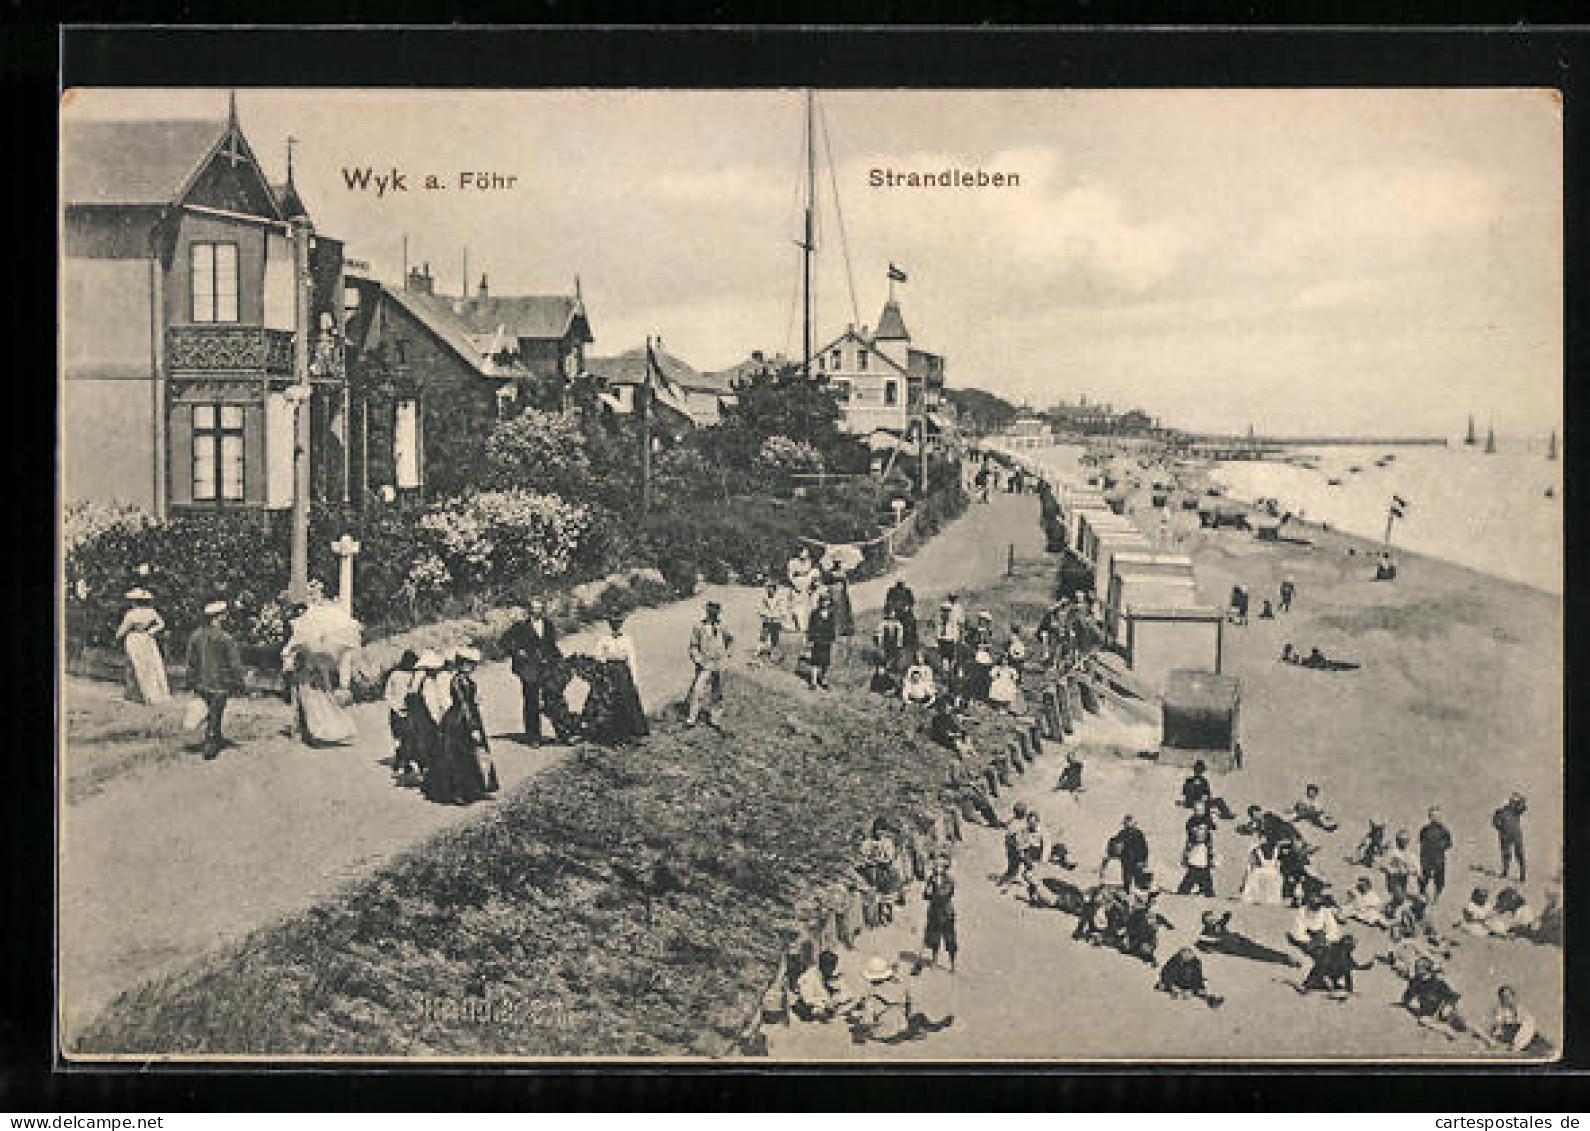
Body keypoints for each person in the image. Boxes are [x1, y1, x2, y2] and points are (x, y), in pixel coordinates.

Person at [281, 594, 359, 747]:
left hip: (306, 676)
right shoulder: (320, 640)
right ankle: (312, 732)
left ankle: (310, 733)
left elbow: (288, 652)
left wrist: (289, 653)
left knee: (312, 705)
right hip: (315, 675)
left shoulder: (303, 635)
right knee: (321, 704)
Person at [500, 598, 573, 746]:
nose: (538, 611)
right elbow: (503, 642)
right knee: (531, 701)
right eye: (535, 608)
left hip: (547, 667)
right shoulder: (520, 626)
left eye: (540, 608)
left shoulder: (548, 625)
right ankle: (533, 737)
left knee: (554, 698)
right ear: (529, 610)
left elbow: (552, 646)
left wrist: (561, 661)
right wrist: (517, 652)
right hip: (529, 669)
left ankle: (563, 733)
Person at [431, 646, 498, 805]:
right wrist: (472, 726)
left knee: (476, 753)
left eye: (472, 664)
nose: (470, 667)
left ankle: (477, 788)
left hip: (470, 716)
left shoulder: (467, 680)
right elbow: (462, 704)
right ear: (460, 664)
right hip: (460, 720)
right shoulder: (458, 680)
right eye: (466, 664)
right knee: (461, 755)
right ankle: (460, 792)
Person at [184, 599, 245, 760]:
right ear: (219, 617)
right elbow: (234, 663)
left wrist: (190, 681)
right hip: (220, 683)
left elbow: (191, 661)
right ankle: (211, 743)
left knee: (211, 711)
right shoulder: (226, 638)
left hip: (201, 682)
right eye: (223, 615)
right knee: (216, 713)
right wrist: (239, 682)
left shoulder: (196, 635)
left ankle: (214, 737)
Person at [847, 957, 952, 1044]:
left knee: (870, 1026)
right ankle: (932, 1027)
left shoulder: (872, 995)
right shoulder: (900, 986)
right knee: (919, 1017)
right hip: (902, 1025)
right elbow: (910, 1007)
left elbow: (868, 1019)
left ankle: (912, 1032)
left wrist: (858, 1018)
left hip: (887, 1034)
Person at [582, 614, 649, 745]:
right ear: (609, 624)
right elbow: (597, 656)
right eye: (613, 623)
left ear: (621, 624)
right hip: (608, 671)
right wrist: (603, 666)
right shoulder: (604, 639)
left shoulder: (627, 639)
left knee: (625, 699)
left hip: (622, 672)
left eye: (618, 623)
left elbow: (632, 659)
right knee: (606, 700)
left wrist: (634, 679)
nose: (616, 626)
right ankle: (606, 733)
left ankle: (630, 732)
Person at [115, 588, 171, 704]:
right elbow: (161, 624)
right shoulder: (151, 612)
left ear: (135, 601)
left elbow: (122, 630)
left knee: (133, 665)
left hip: (134, 639)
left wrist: (118, 636)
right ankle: (146, 693)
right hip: (147, 638)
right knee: (149, 665)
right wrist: (152, 631)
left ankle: (136, 694)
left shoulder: (131, 614)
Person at [685, 601, 733, 727]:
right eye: (710, 609)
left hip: (719, 663)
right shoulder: (699, 626)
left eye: (716, 610)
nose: (713, 612)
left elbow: (729, 640)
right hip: (705, 664)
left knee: (717, 692)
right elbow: (693, 646)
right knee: (698, 690)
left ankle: (715, 718)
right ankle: (692, 718)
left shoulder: (723, 626)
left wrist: (727, 654)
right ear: (706, 611)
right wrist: (700, 661)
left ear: (719, 611)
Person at [1195, 910, 1299, 967]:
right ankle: (1286, 960)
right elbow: (1200, 942)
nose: (1212, 920)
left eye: (1213, 917)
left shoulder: (1218, 924)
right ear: (1205, 921)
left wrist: (1226, 916)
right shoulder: (1206, 931)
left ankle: (1286, 958)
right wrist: (1209, 949)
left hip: (1241, 940)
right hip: (1234, 947)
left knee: (1262, 949)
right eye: (1209, 919)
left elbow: (1224, 920)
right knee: (1260, 955)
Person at [1400, 956, 1467, 1038]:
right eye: (1416, 967)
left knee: (1456, 1020)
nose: (1416, 969)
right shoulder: (1415, 982)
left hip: (1441, 1007)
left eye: (1419, 967)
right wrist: (1409, 1002)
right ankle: (1447, 1030)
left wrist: (1448, 1006)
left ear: (1427, 969)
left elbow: (1451, 995)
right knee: (1423, 1020)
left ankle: (1463, 1026)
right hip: (1428, 1010)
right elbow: (1407, 996)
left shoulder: (1437, 981)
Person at [383, 649, 422, 784]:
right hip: (405, 710)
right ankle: (404, 763)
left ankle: (403, 763)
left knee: (402, 737)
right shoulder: (411, 675)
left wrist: (396, 707)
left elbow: (387, 695)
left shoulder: (397, 675)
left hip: (401, 710)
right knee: (404, 737)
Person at [1299, 934, 1371, 998]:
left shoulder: (1344, 952)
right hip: (1326, 968)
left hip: (1331, 970)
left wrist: (1364, 966)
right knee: (1323, 967)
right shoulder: (1338, 951)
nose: (1353, 947)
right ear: (1348, 945)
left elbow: (1352, 965)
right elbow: (1352, 965)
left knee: (1345, 969)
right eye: (1353, 945)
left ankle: (1340, 986)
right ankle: (1307, 985)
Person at [920, 854, 958, 973]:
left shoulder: (949, 880)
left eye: (940, 866)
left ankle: (952, 964)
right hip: (934, 912)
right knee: (934, 938)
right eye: (936, 866)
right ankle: (934, 960)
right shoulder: (931, 879)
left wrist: (934, 888)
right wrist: (928, 889)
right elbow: (925, 896)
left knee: (950, 939)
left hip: (946, 913)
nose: (937, 868)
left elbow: (945, 895)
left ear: (945, 868)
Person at [793, 950, 855, 1022]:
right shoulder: (809, 977)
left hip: (831, 1005)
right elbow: (807, 999)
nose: (833, 969)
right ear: (822, 965)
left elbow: (847, 992)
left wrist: (838, 997)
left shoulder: (833, 974)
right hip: (813, 1006)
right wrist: (825, 1002)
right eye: (830, 966)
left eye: (834, 966)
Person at [1484, 986, 1547, 1054]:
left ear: (1513, 996)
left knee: (1542, 1048)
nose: (1506, 999)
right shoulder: (1498, 1011)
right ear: (1500, 999)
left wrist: (1516, 1043)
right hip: (1508, 1035)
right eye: (1503, 997)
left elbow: (1528, 1026)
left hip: (1524, 1036)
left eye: (1508, 996)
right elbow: (1496, 1026)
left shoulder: (1521, 1010)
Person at [1156, 947, 1224, 1008]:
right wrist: (1174, 988)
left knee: (1199, 991)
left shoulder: (1195, 962)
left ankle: (1211, 1000)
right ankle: (1171, 989)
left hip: (1187, 981)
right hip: (1177, 982)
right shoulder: (1174, 962)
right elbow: (1166, 974)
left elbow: (1198, 975)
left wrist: (1201, 986)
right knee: (1164, 984)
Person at [1103, 815, 1151, 892]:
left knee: (1138, 881)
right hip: (1126, 860)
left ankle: (1140, 895)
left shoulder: (1138, 834)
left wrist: (1143, 861)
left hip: (1136, 861)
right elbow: (1114, 842)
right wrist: (1112, 849)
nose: (1126, 825)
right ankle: (1127, 892)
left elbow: (1144, 848)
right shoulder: (1122, 833)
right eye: (1125, 823)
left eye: (1128, 823)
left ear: (1133, 824)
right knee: (1126, 879)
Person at [1288, 890, 1343, 956]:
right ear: (1308, 903)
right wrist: (1310, 940)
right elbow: (1298, 932)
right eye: (1312, 904)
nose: (1315, 908)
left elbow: (1333, 928)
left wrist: (1326, 938)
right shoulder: (1302, 912)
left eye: (1318, 905)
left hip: (1322, 937)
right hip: (1308, 938)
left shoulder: (1325, 911)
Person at [1418, 806, 1453, 903]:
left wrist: (1441, 846)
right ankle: (1422, 893)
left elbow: (1449, 843)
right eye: (1432, 816)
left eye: (1437, 816)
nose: (1435, 818)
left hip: (1438, 858)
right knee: (1424, 877)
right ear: (1429, 817)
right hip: (1426, 857)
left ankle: (1437, 895)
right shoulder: (1424, 830)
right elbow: (1421, 840)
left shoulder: (1444, 831)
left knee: (1439, 878)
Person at [805, 593, 837, 690]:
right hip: (817, 640)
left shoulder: (831, 614)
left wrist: (832, 640)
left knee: (825, 662)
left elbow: (832, 628)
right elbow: (811, 627)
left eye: (827, 601)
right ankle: (813, 682)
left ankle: (823, 680)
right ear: (820, 602)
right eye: (823, 601)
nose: (825, 603)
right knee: (815, 661)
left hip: (826, 641)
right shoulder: (814, 613)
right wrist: (810, 639)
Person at [1493, 792, 1528, 883]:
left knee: (1519, 854)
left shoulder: (1516, 811)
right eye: (1511, 801)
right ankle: (1505, 871)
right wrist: (1501, 828)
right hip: (1506, 836)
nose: (1512, 803)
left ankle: (1522, 874)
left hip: (1516, 835)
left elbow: (1523, 807)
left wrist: (1521, 798)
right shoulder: (1501, 812)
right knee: (1506, 855)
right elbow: (1495, 823)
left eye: (1513, 802)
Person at [1177, 823, 1217, 897]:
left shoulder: (1207, 843)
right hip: (1196, 862)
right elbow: (1188, 849)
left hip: (1202, 863)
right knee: (1190, 879)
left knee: (1205, 881)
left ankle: (1208, 893)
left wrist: (1211, 860)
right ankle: (1183, 891)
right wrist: (1185, 858)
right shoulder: (1193, 842)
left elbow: (1210, 851)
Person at [1382, 829, 1420, 903]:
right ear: (1397, 841)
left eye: (1405, 841)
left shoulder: (1410, 854)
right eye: (1401, 841)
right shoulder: (1392, 852)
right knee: (1400, 897)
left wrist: (1410, 871)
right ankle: (1388, 909)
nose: (1403, 843)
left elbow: (1417, 869)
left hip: (1405, 880)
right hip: (1393, 880)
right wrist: (1391, 870)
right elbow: (1383, 865)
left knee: (1414, 898)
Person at [756, 581, 788, 662]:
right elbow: (759, 608)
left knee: (774, 638)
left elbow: (783, 610)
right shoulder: (764, 598)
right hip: (767, 620)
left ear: (774, 589)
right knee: (763, 636)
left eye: (771, 589)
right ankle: (759, 650)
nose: (769, 590)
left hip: (776, 621)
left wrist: (780, 616)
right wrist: (763, 614)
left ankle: (773, 653)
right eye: (768, 589)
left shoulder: (780, 599)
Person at [786, 547, 817, 632]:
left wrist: (811, 585)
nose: (805, 554)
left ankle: (805, 626)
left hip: (806, 584)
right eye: (803, 552)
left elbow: (811, 574)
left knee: (806, 606)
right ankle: (796, 625)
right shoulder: (793, 562)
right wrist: (795, 586)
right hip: (796, 583)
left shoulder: (809, 562)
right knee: (795, 605)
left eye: (806, 552)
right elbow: (790, 576)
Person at [875, 608, 907, 674]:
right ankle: (885, 667)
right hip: (886, 642)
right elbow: (879, 633)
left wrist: (899, 643)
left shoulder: (898, 623)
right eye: (890, 614)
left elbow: (900, 634)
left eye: (893, 614)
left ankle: (894, 667)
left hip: (895, 642)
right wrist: (880, 643)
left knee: (895, 655)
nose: (891, 616)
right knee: (885, 655)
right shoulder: (883, 623)